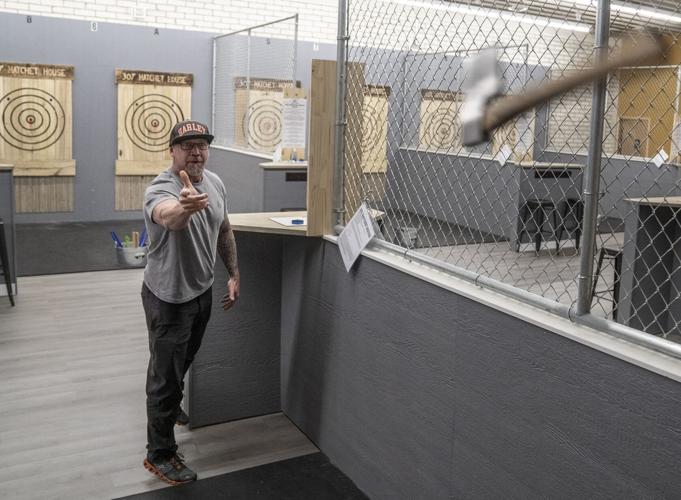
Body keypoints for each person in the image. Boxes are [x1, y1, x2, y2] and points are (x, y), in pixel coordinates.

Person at [141, 119, 240, 485]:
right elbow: (169, 217)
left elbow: (225, 229)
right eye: (188, 146)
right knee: (164, 375)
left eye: (202, 145)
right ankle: (160, 453)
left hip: (201, 292)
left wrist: (233, 273)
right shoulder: (161, 189)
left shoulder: (215, 183)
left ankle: (170, 405)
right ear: (172, 151)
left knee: (183, 359)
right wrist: (184, 206)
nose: (196, 152)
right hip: (167, 297)